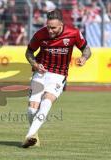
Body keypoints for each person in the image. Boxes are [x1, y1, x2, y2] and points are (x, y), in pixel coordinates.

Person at [22, 9, 92, 148]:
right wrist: (35, 64)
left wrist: (84, 58)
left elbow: (86, 49)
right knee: (31, 110)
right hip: (40, 73)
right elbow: (29, 52)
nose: (50, 31)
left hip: (58, 75)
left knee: (46, 102)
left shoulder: (74, 33)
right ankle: (34, 136)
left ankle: (29, 136)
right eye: (48, 27)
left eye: (53, 28)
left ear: (61, 25)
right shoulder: (40, 34)